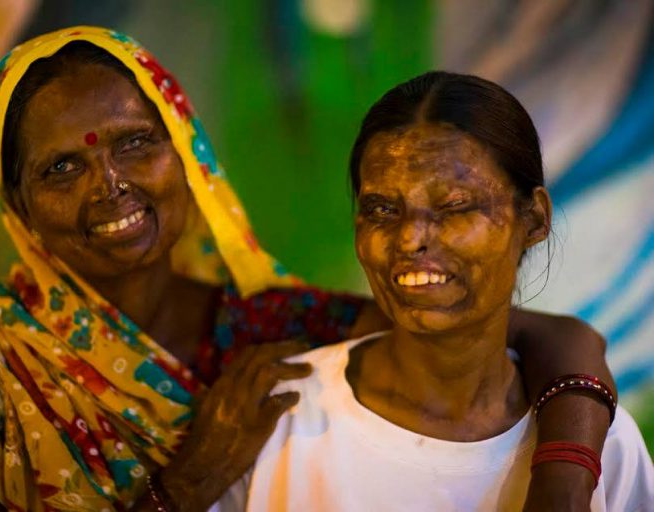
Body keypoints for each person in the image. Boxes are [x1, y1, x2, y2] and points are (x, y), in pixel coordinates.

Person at [0, 27, 618, 511]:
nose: (108, 184)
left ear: (188, 154)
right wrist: (186, 485)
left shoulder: (269, 326)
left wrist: (562, 479)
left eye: (137, 142)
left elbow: (556, 341)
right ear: (17, 200)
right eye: (63, 165)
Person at [213, 71, 654, 512]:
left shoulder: (604, 448)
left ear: (534, 219)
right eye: (382, 209)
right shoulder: (272, 420)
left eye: (454, 206)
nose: (409, 240)